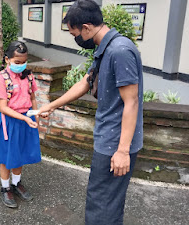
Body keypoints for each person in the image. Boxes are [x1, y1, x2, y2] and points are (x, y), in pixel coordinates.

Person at [38, 0, 143, 224]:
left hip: (115, 143)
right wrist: (51, 105)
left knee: (103, 204)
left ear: (86, 27)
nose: (74, 38)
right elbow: (86, 82)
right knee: (103, 200)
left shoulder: (120, 51)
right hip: (107, 138)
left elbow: (131, 102)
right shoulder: (104, 48)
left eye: (74, 32)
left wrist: (123, 151)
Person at [0, 41, 41, 208]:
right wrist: (25, 118)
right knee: (6, 158)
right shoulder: (2, 79)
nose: (21, 65)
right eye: (17, 62)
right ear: (7, 60)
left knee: (20, 153)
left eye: (24, 62)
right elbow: (3, 108)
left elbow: (33, 97)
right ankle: (5, 188)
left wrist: (36, 117)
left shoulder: (28, 76)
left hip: (26, 120)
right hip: (10, 122)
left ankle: (16, 183)